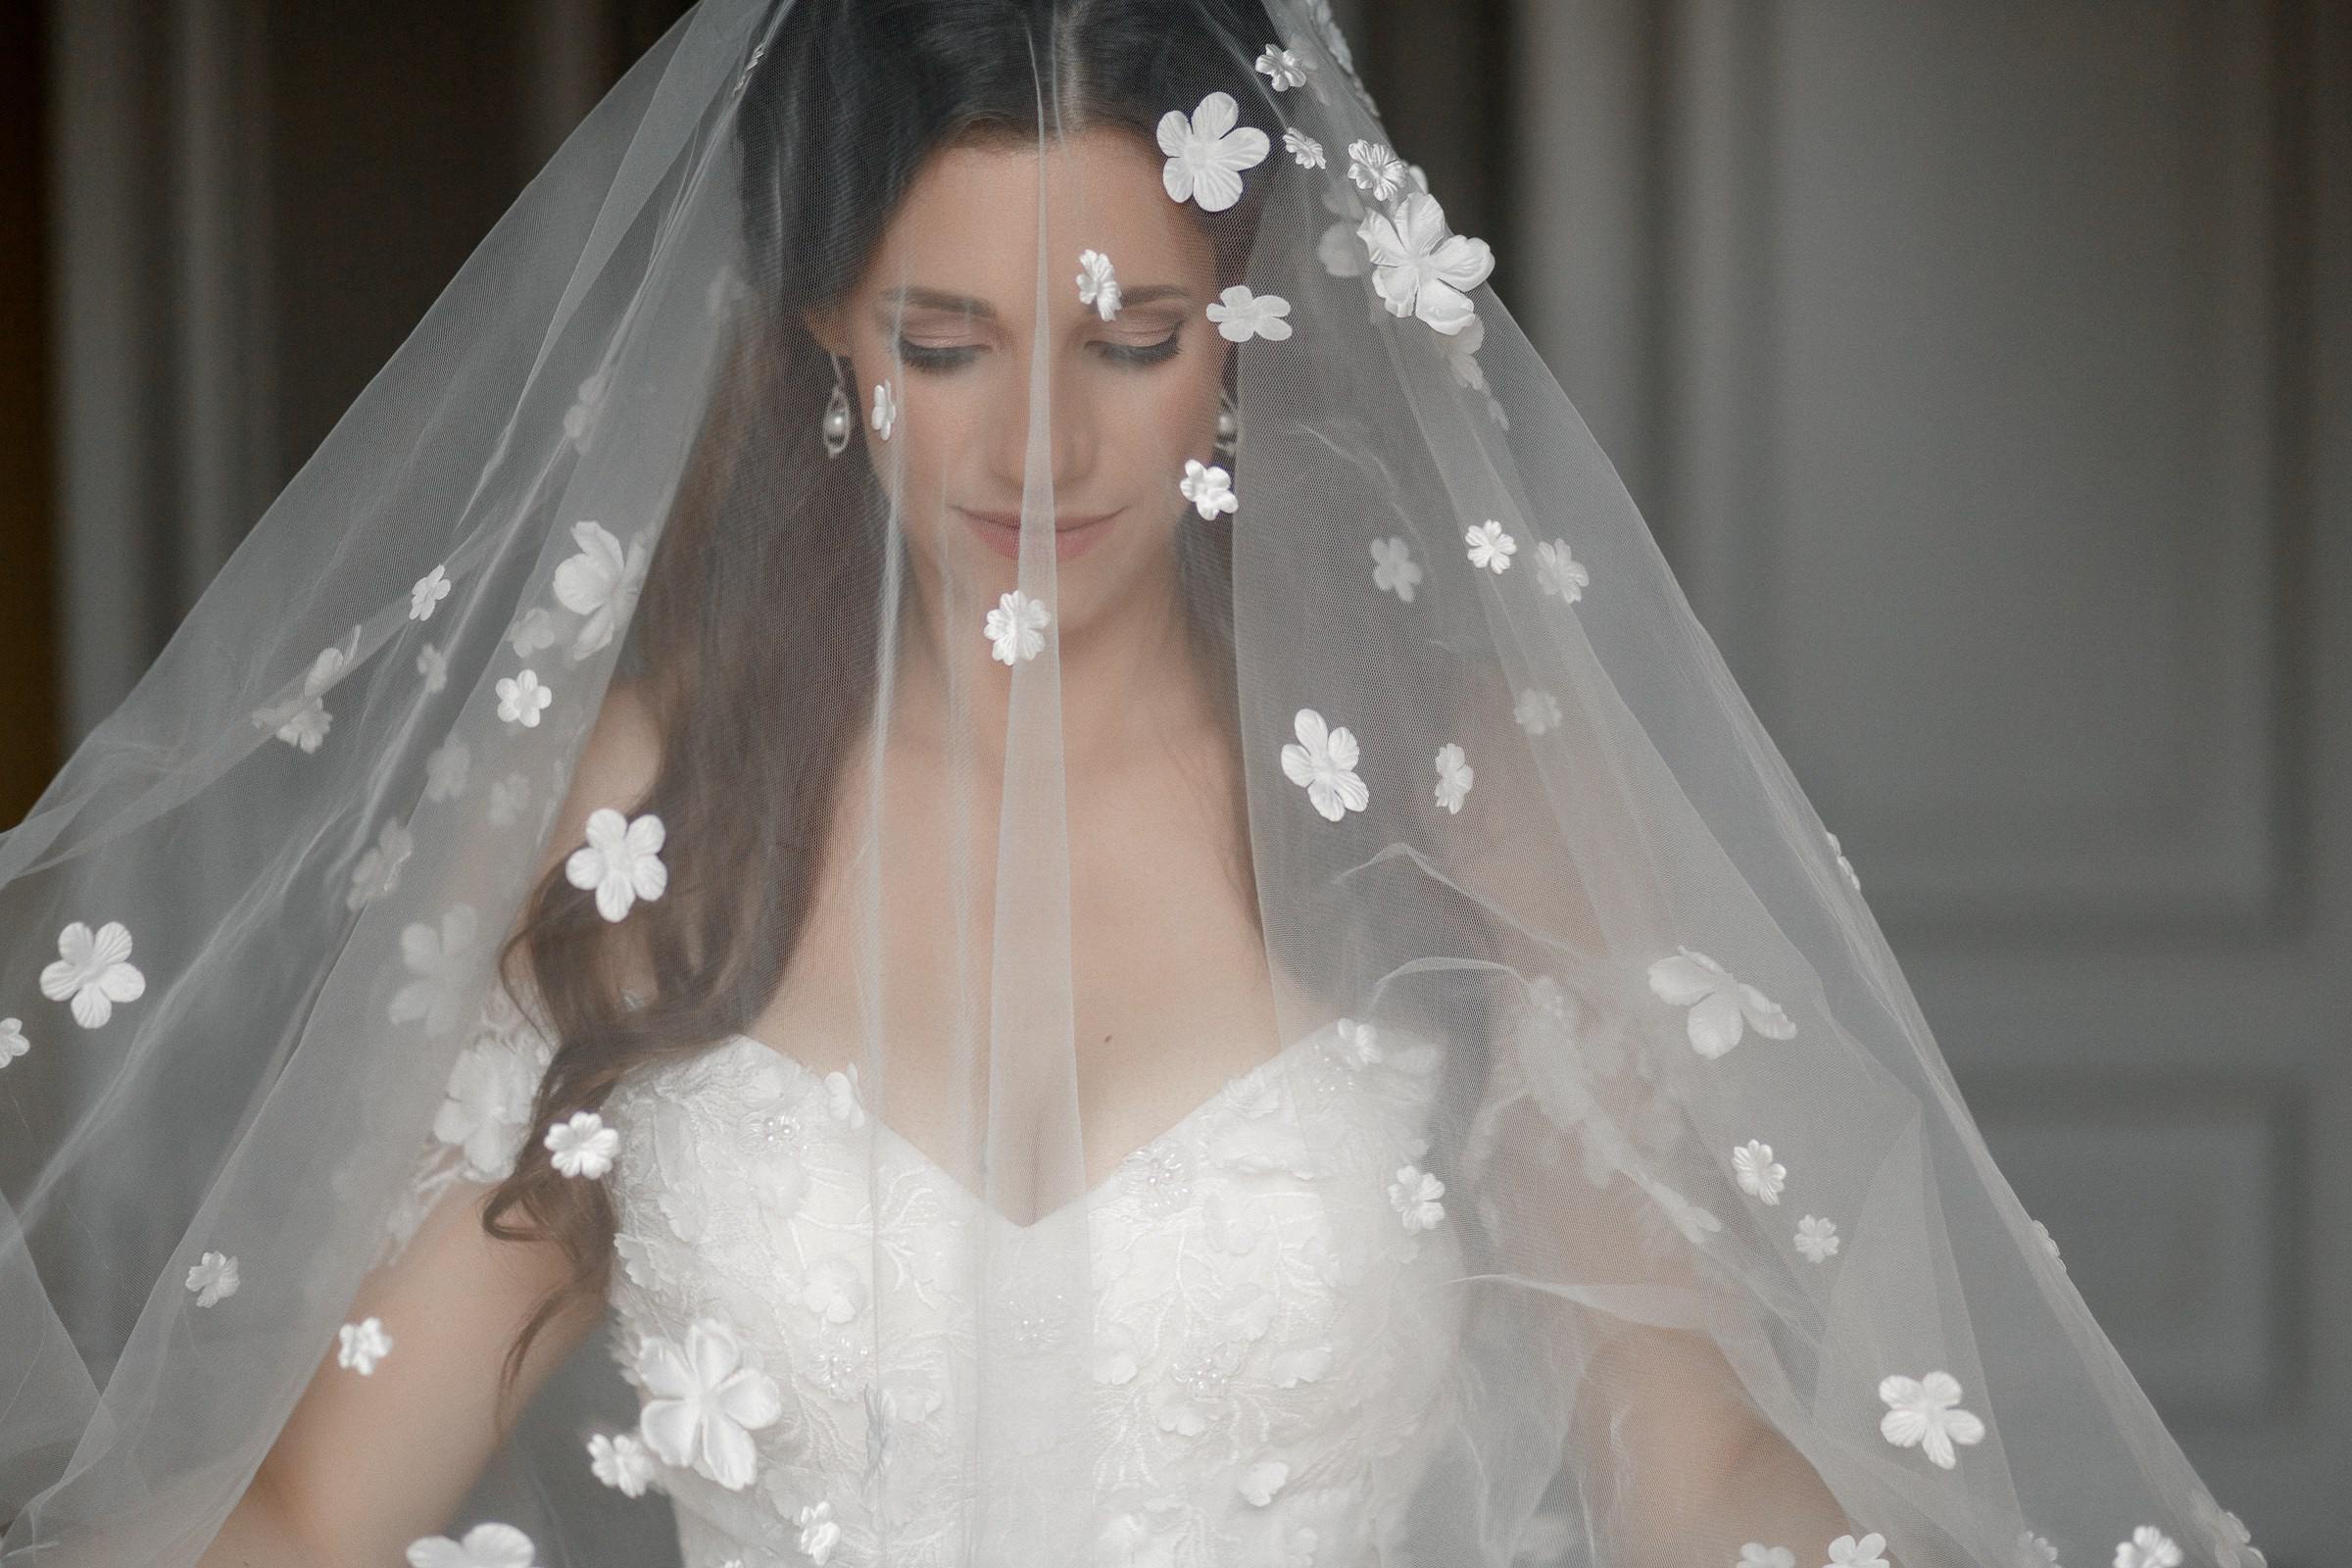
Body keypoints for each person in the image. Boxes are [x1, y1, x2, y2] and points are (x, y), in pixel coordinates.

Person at [0, 3, 2257, 1567]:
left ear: (1255, 312)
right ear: (818, 334)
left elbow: (1689, 1463)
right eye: (945, 347)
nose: (1043, 453)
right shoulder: (661, 809)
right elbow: (314, 1506)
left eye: (1137, 341)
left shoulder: (1449, 795)